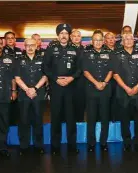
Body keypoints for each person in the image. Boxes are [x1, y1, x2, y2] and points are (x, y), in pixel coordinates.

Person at [44, 23, 81, 154]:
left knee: (71, 117)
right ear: (58, 35)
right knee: (56, 117)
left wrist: (71, 78)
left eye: (66, 33)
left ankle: (72, 145)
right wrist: (56, 79)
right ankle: (55, 147)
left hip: (71, 87)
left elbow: (80, 68)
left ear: (69, 36)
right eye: (61, 33)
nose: (64, 36)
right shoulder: (51, 49)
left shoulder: (75, 49)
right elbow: (45, 68)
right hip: (56, 87)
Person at [111, 33, 138, 152]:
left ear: (134, 40)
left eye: (130, 38)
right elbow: (115, 75)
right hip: (123, 92)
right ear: (122, 42)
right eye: (125, 39)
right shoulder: (116, 55)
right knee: (124, 120)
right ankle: (126, 142)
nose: (128, 40)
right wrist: (126, 88)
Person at [15, 38, 48, 155]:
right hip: (23, 95)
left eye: (32, 45)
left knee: (38, 120)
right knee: (23, 121)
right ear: (24, 46)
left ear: (36, 46)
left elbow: (45, 76)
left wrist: (35, 88)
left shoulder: (43, 59)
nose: (30, 47)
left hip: (38, 95)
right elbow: (17, 78)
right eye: (27, 45)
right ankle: (24, 146)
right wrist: (27, 89)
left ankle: (39, 145)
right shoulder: (18, 60)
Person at [83, 30, 113, 152]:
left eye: (100, 40)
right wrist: (96, 83)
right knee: (92, 118)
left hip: (105, 89)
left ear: (103, 41)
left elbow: (111, 70)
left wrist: (104, 83)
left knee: (105, 117)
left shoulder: (109, 53)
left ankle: (103, 142)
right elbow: (85, 71)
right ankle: (91, 143)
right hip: (91, 90)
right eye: (95, 40)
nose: (98, 42)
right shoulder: (86, 53)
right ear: (92, 41)